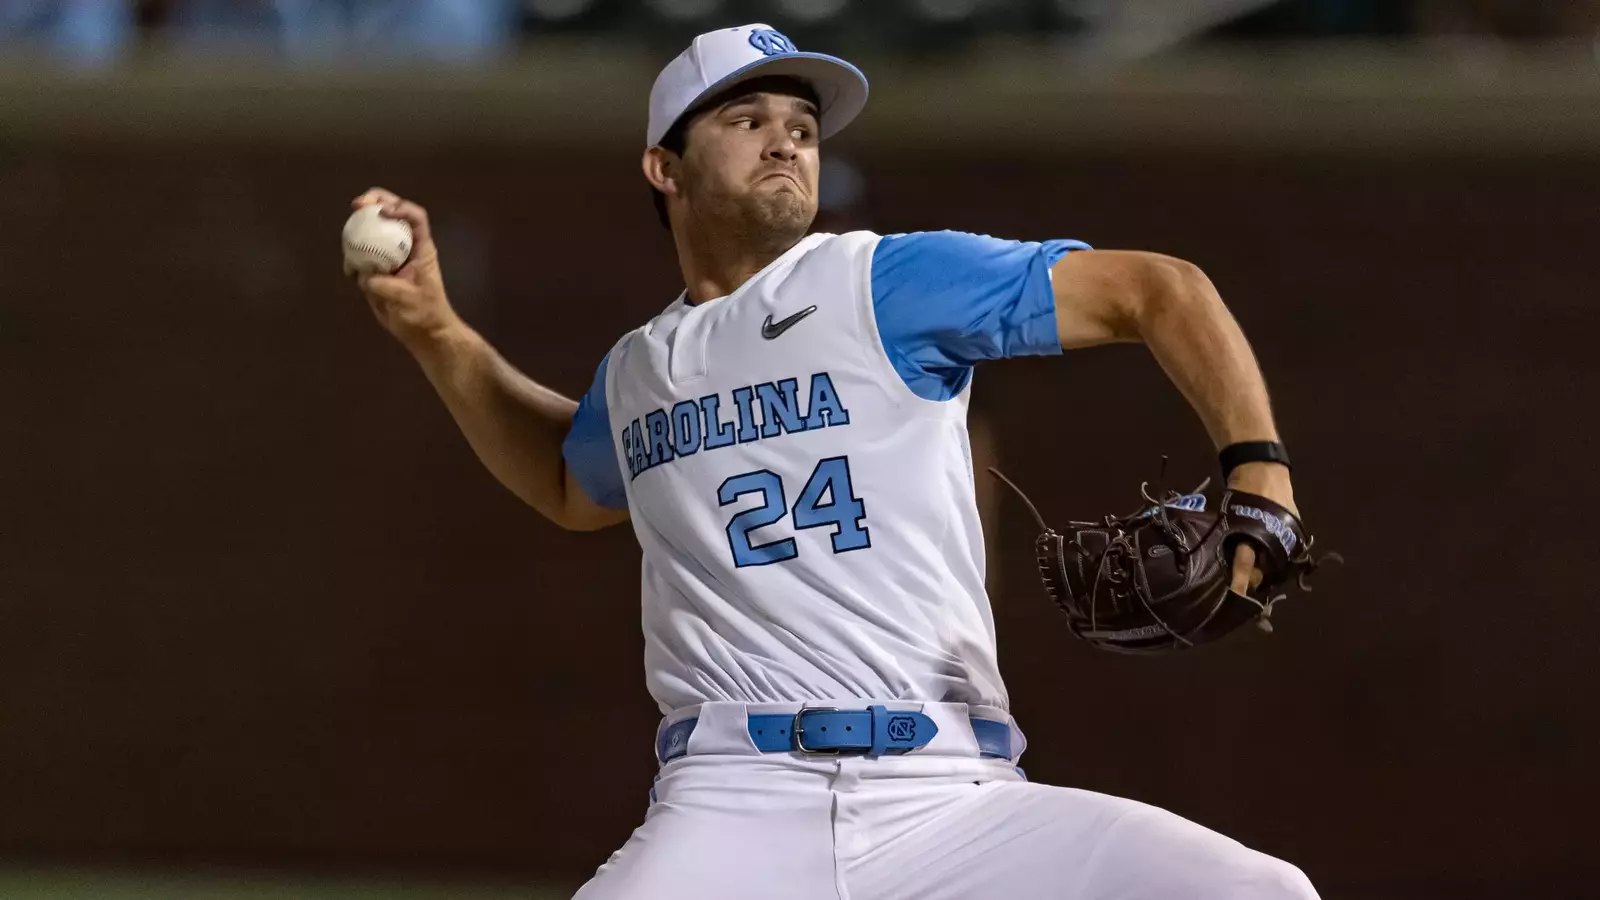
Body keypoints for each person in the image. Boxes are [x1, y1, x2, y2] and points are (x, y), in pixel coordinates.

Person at [349, 23, 1318, 900]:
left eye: (803, 127)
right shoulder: (639, 370)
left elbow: (1161, 290)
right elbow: (569, 483)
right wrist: (437, 331)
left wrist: (1258, 472)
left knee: (1262, 893)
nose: (787, 140)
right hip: (729, 803)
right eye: (747, 117)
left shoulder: (880, 279)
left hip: (949, 799)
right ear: (663, 166)